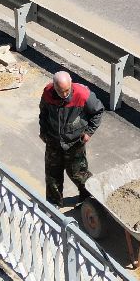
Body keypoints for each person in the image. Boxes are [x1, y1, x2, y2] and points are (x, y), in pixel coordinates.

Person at [38, 70, 105, 203]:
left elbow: (98, 111)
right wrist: (43, 131)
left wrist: (89, 132)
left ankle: (89, 198)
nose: (64, 95)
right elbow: (43, 113)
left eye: (67, 90)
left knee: (78, 173)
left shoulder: (83, 94)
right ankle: (53, 203)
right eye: (60, 91)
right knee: (52, 175)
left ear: (71, 84)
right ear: (54, 86)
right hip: (53, 141)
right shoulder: (48, 93)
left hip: (74, 142)